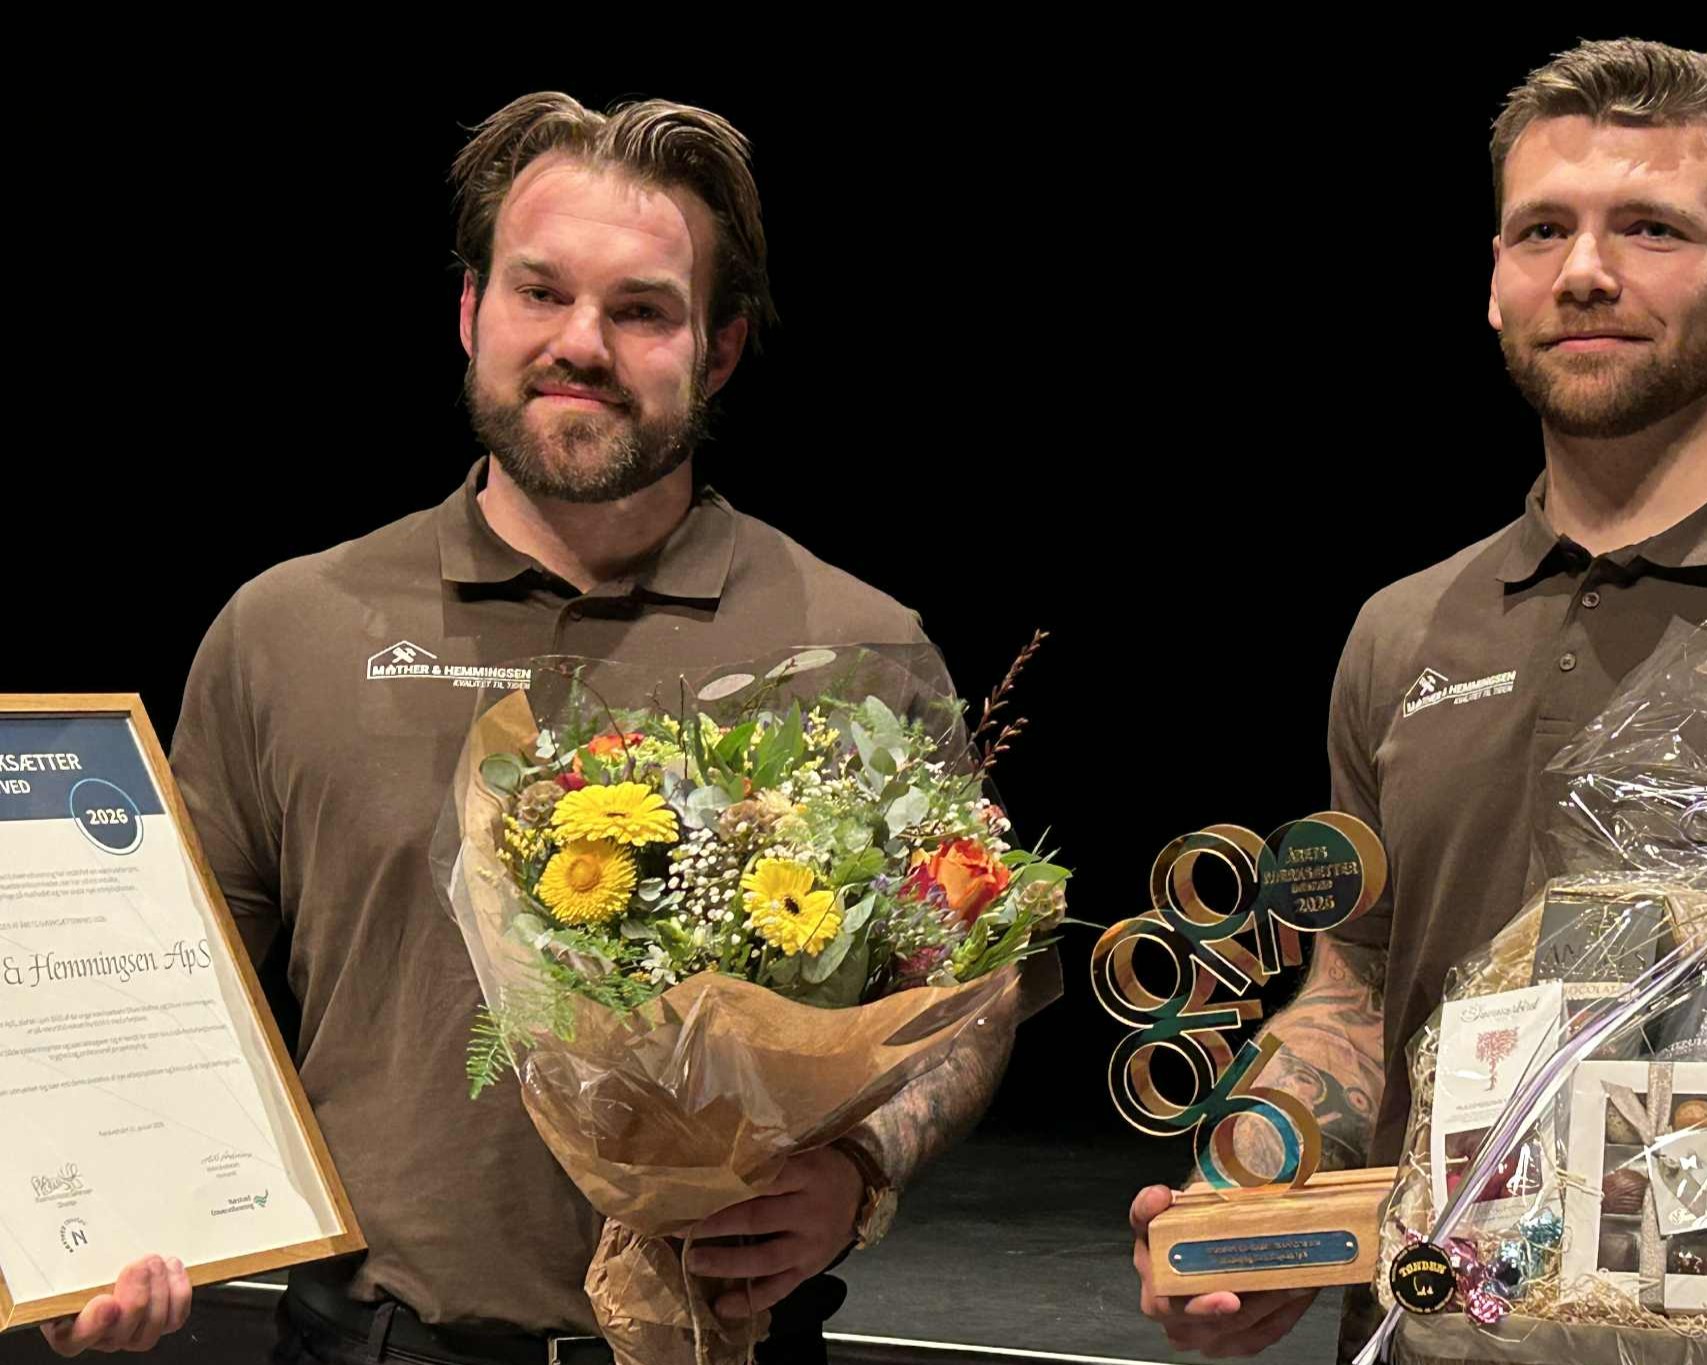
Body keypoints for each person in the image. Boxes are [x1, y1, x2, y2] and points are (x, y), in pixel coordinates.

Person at [43, 92, 1010, 1364]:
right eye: (537, 293)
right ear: (469, 312)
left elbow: (966, 999)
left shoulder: (860, 644)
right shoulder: (287, 630)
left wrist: (860, 1173)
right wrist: (86, 1237)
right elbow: (158, 995)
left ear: (718, 350)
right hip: (369, 1344)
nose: (580, 343)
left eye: (642, 310)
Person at [1129, 36, 1707, 1361]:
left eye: (1653, 229)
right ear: (1494, 281)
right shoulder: (1406, 630)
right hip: (1430, 1337)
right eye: (1541, 229)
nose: (1586, 271)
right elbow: (1355, 988)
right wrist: (1252, 1183)